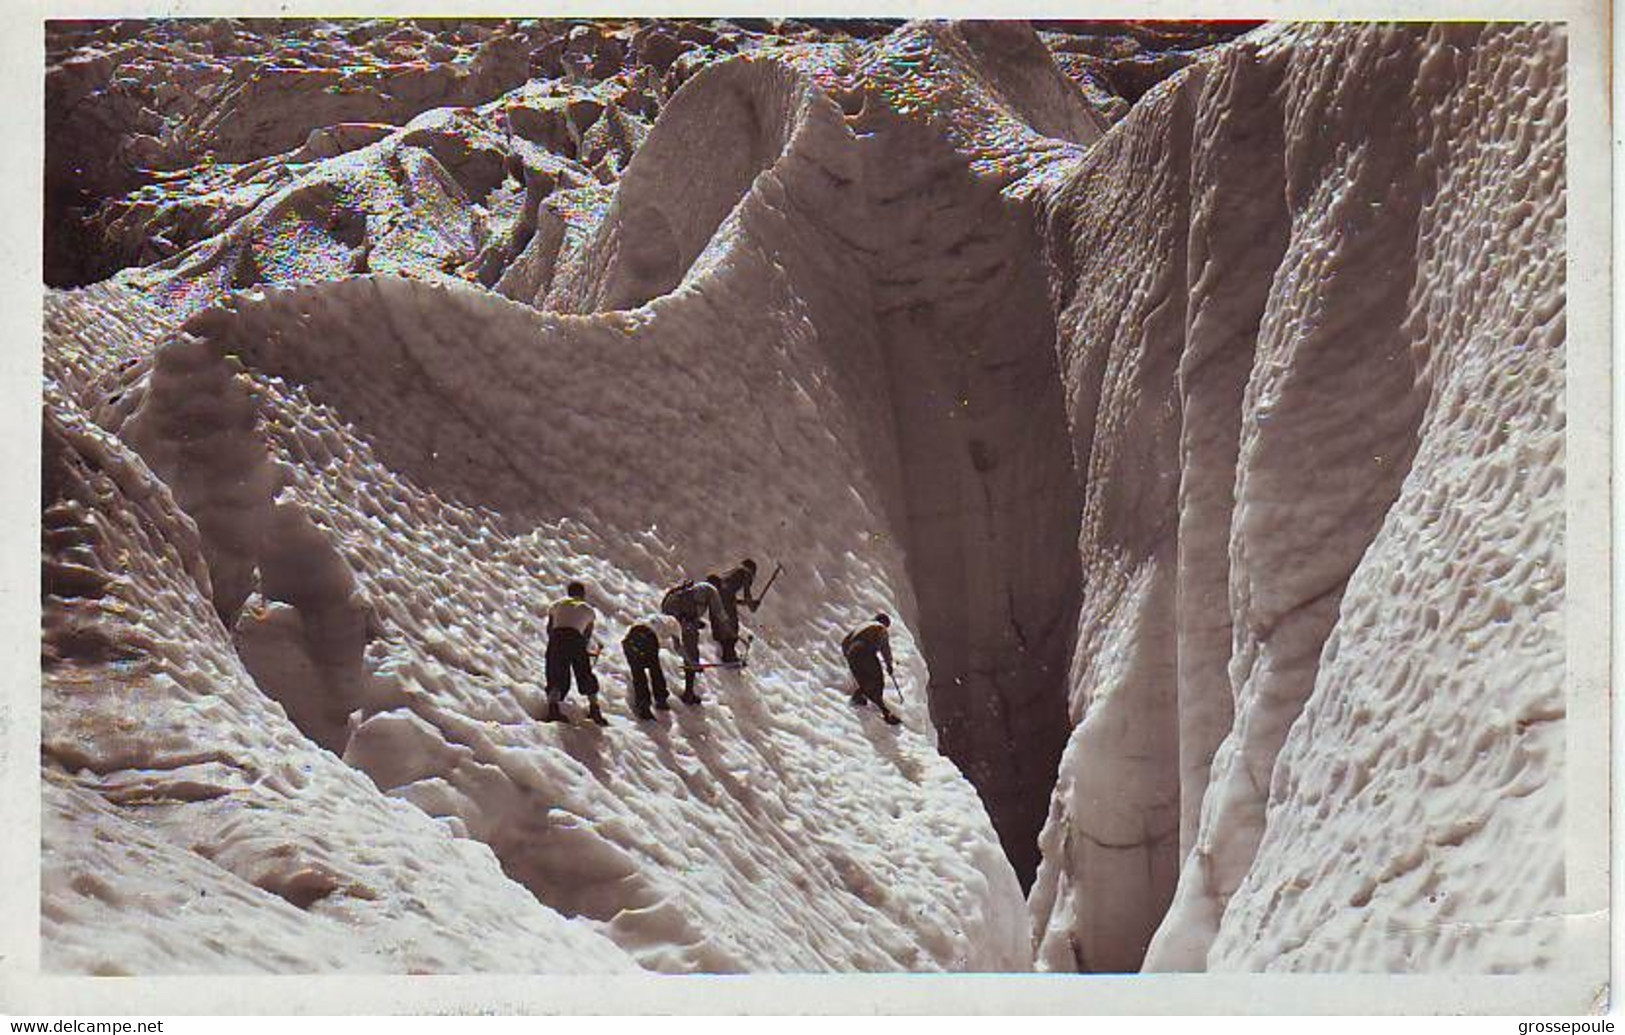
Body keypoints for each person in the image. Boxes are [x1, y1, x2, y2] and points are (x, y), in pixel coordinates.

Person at [545, 581, 605, 724]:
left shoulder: (556, 605)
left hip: (556, 638)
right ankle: (594, 708)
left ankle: (553, 708)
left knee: (556, 672)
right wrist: (582, 651)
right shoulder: (588, 609)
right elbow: (586, 634)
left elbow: (550, 627)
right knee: (584, 673)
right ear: (582, 594)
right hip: (575, 638)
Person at [660, 577, 725, 704]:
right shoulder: (709, 589)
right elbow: (719, 614)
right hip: (682, 619)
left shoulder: (688, 592)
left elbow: (678, 645)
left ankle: (689, 684)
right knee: (691, 650)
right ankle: (689, 693)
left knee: (686, 650)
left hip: (673, 616)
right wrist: (729, 632)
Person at [841, 613, 900, 725]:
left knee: (864, 680)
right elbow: (885, 648)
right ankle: (883, 711)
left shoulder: (861, 627)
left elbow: (845, 642)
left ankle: (862, 699)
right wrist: (889, 665)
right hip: (865, 650)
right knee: (877, 679)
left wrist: (850, 657)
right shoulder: (879, 628)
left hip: (852, 653)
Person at [622, 615, 674, 720]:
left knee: (639, 672)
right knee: (652, 670)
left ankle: (645, 705)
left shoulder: (652, 620)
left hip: (630, 641)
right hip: (644, 639)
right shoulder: (667, 625)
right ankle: (657, 700)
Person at [710, 558, 760, 664]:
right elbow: (746, 594)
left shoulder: (732, 572)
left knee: (722, 625)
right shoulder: (746, 573)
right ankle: (729, 656)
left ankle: (724, 653)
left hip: (714, 597)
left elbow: (730, 597)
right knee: (732, 627)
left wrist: (749, 603)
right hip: (724, 599)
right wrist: (751, 605)